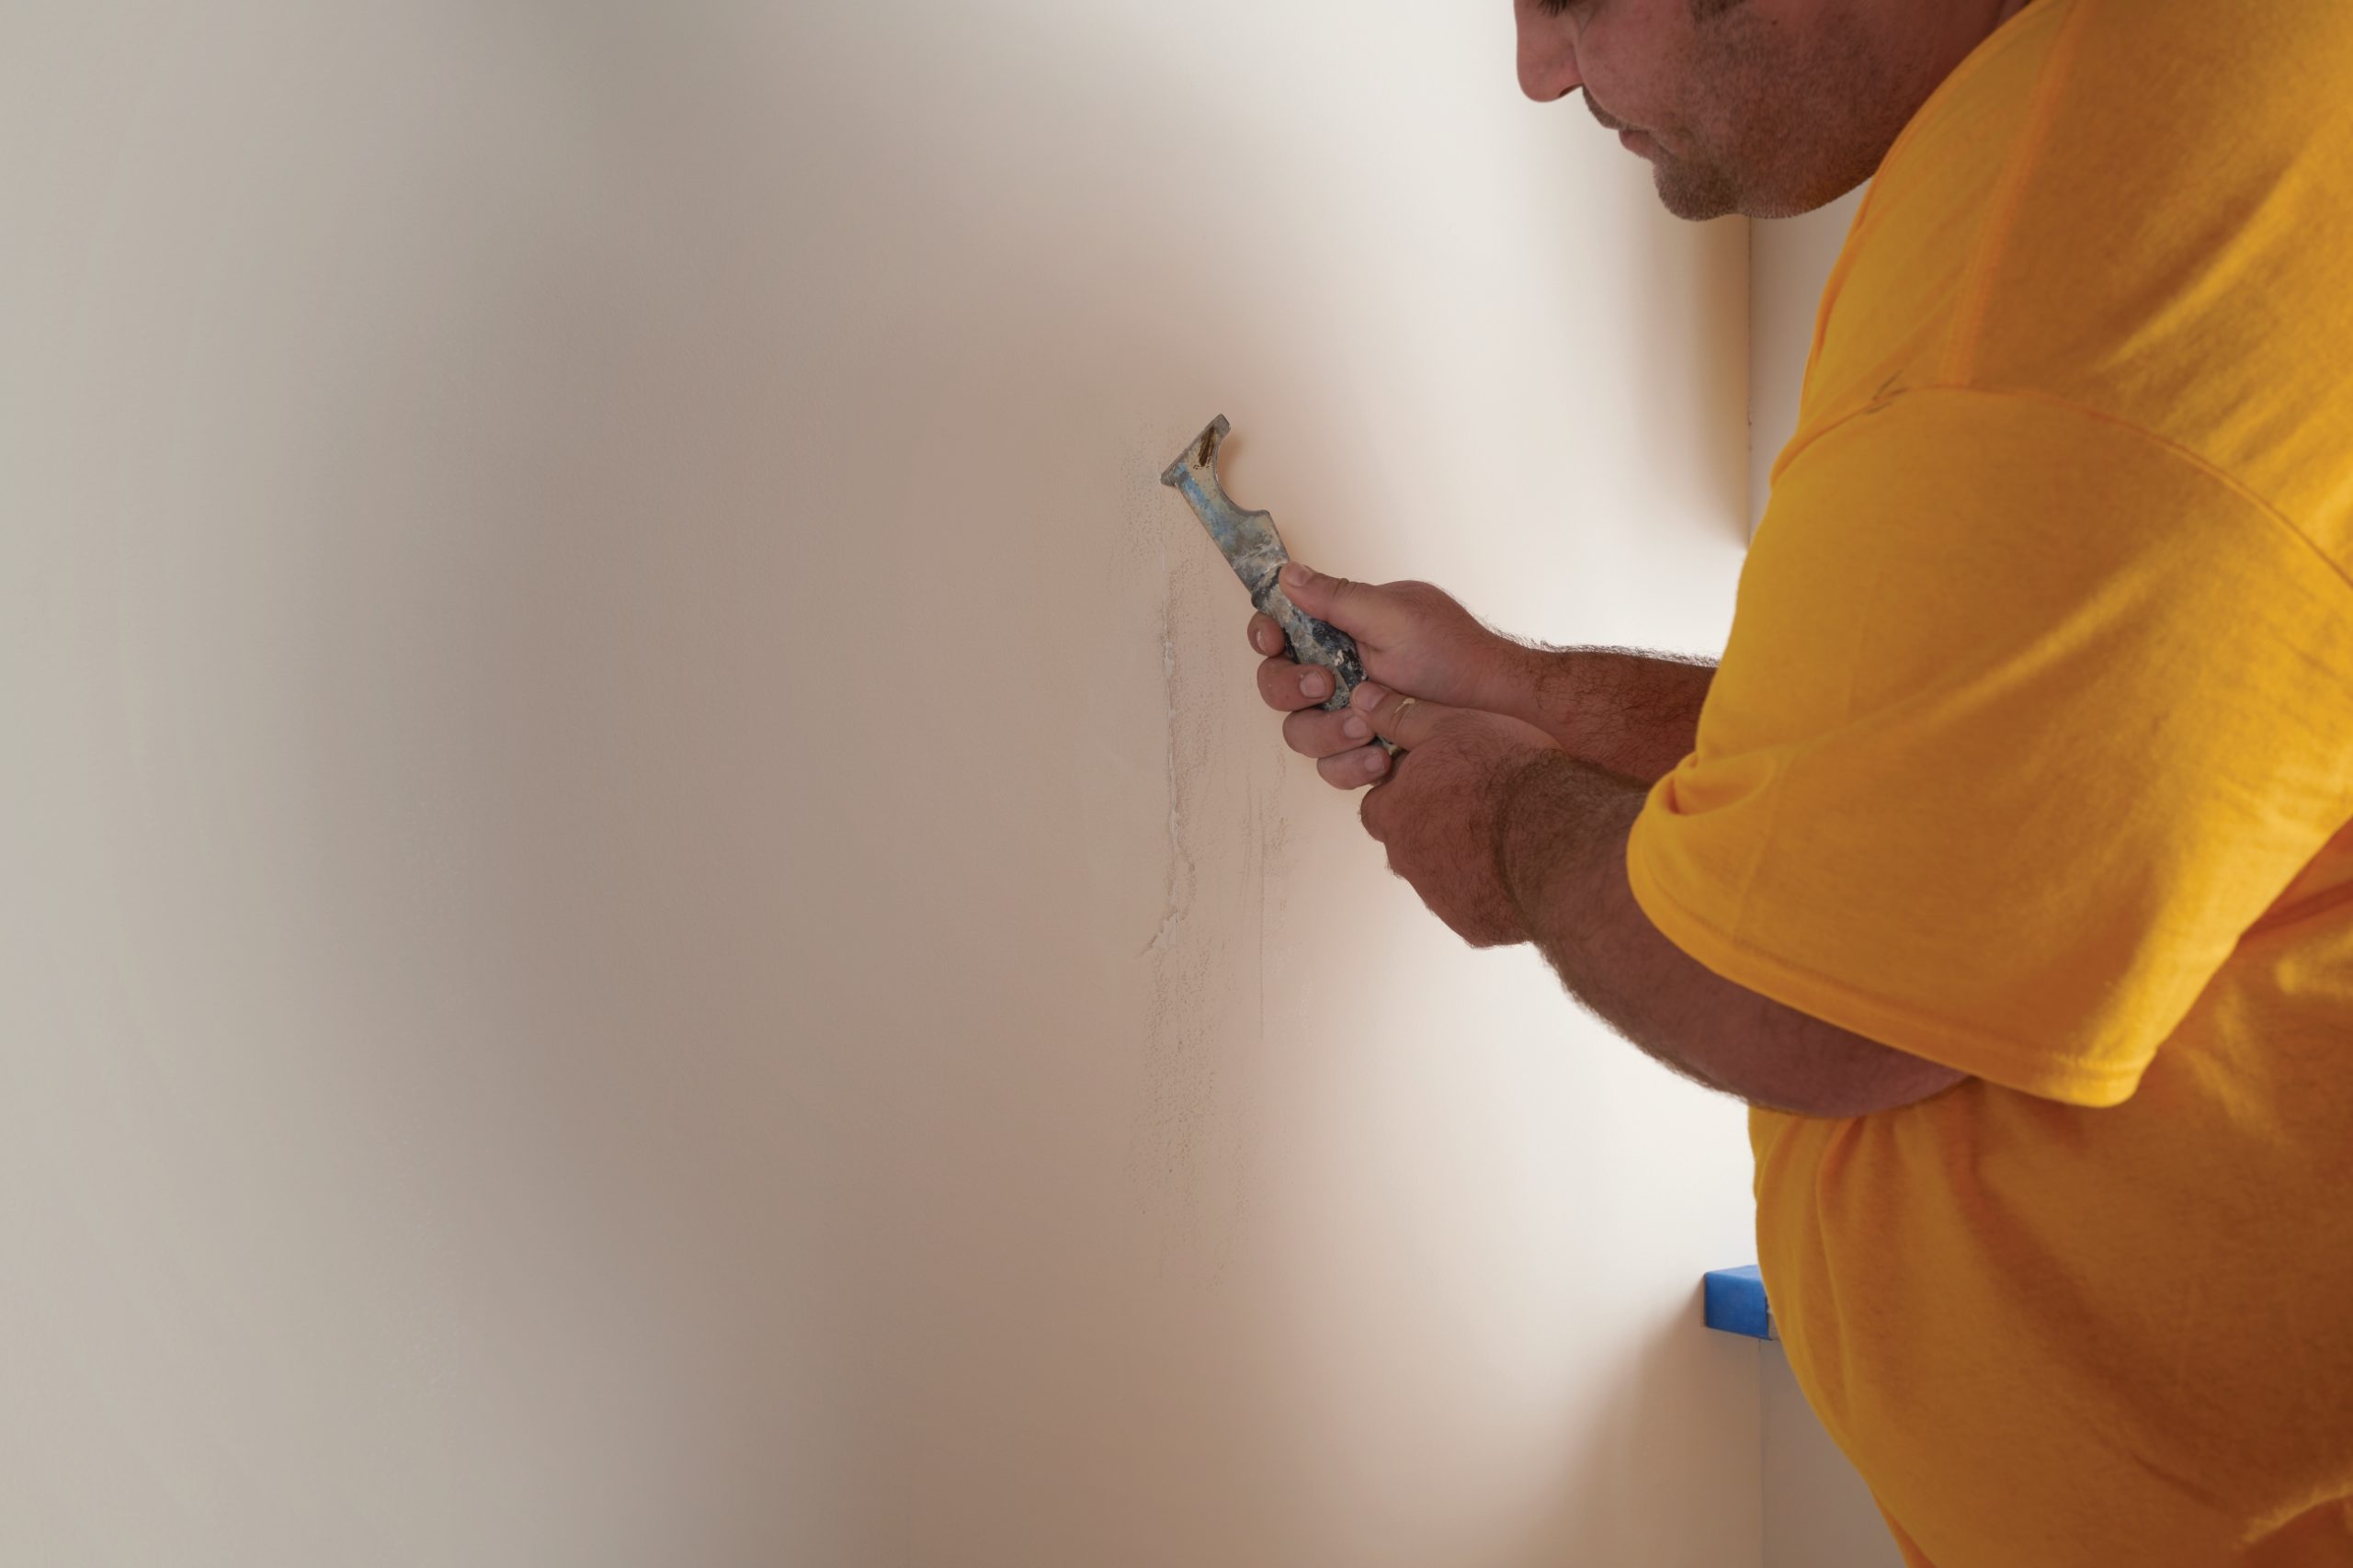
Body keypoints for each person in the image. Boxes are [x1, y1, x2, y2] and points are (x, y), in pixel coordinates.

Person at [1249, 0, 2353, 1562]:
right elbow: (1919, 774)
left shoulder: (2082, 214)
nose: (1537, 66)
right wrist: (1519, 689)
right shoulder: (2145, 105)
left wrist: (1503, 830)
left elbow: (1827, 1004)